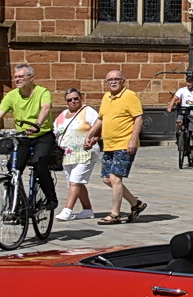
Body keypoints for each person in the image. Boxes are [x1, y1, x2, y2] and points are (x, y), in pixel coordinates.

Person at [0, 63, 58, 216]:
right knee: (14, 168)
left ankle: (51, 197)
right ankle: (17, 204)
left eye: (21, 76)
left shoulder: (42, 92)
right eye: (15, 77)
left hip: (41, 135)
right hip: (22, 137)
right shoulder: (12, 95)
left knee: (39, 163)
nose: (17, 79)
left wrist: (37, 125)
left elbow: (45, 108)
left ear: (31, 78)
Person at [86, 68, 145, 224]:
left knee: (115, 178)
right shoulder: (106, 97)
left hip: (124, 144)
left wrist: (133, 140)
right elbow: (101, 119)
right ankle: (135, 204)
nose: (113, 82)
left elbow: (138, 119)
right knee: (107, 179)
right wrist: (90, 134)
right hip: (109, 144)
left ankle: (115, 214)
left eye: (116, 79)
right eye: (109, 80)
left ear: (123, 81)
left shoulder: (130, 96)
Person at [51, 87, 97, 221]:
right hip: (67, 155)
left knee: (75, 181)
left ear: (81, 98)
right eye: (70, 100)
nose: (73, 101)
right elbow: (55, 131)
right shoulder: (62, 115)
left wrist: (93, 139)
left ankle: (67, 210)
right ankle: (87, 209)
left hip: (85, 152)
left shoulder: (87, 111)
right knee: (76, 182)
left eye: (76, 98)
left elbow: (99, 125)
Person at [166, 72, 193, 153]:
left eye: (190, 82)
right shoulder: (182, 90)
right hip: (183, 112)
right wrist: (170, 107)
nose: (188, 84)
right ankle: (179, 136)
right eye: (187, 82)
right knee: (179, 122)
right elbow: (174, 98)